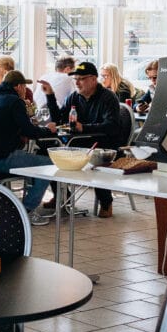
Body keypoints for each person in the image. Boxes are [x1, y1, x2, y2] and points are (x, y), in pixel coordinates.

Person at [41, 61, 127, 218]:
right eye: (76, 79)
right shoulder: (74, 97)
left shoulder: (108, 98)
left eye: (81, 79)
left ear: (93, 79)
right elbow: (60, 120)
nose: (77, 83)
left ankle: (106, 202)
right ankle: (62, 196)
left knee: (96, 156)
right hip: (79, 141)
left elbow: (111, 126)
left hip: (104, 142)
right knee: (47, 150)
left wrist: (84, 128)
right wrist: (50, 95)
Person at [0, 70, 57, 222]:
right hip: (4, 158)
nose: (26, 91)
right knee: (49, 165)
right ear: (19, 87)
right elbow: (29, 131)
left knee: (33, 162)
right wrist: (48, 129)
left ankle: (24, 207)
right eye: (24, 87)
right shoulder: (14, 101)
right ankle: (26, 209)